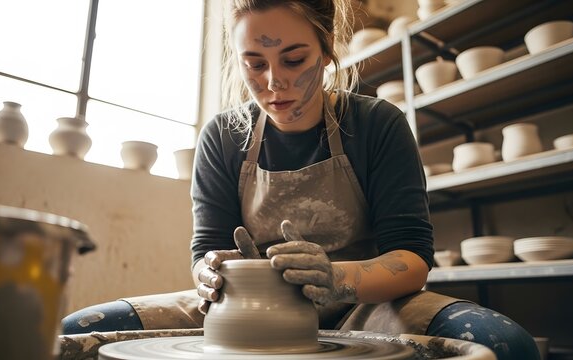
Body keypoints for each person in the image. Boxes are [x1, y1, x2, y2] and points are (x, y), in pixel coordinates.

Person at [63, 1, 540, 359]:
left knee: (507, 345)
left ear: (327, 50)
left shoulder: (377, 124)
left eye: (294, 59)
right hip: (244, 308)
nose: (274, 83)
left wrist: (337, 277)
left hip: (367, 306)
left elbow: (413, 259)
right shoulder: (223, 138)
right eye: (255, 63)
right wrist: (211, 271)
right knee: (80, 330)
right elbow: (204, 249)